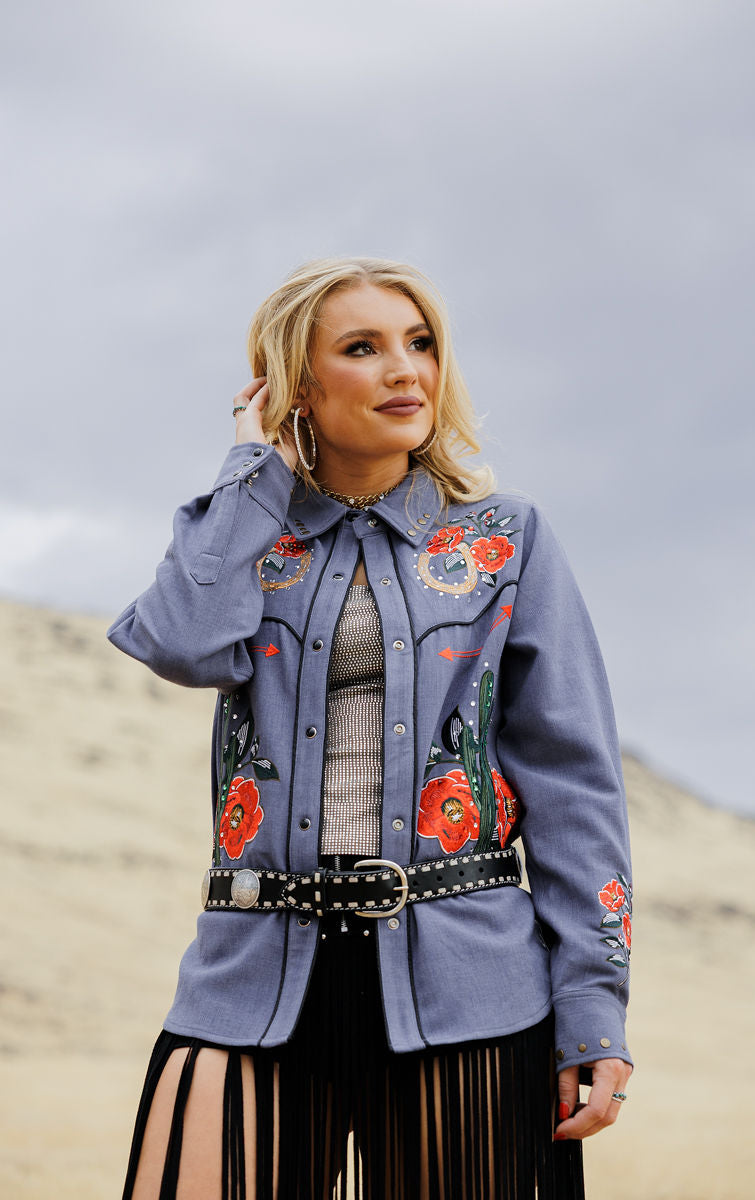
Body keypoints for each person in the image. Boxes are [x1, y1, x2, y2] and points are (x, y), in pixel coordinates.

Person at [108, 256, 633, 1199]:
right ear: (296, 384)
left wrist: (593, 1003)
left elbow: (573, 783)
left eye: (420, 343)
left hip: (470, 986)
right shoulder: (244, 535)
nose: (405, 370)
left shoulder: (504, 541)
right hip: (250, 976)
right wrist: (254, 471)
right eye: (362, 348)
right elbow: (181, 643)